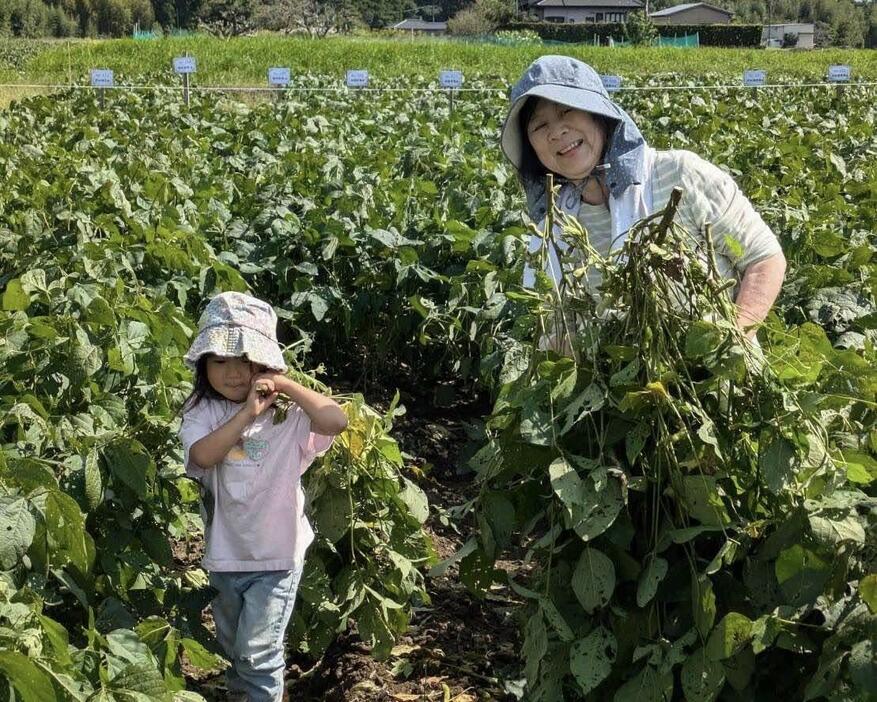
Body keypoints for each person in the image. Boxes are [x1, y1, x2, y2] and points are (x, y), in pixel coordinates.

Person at [500, 55, 786, 337]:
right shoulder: (556, 225)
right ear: (531, 147)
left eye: (567, 111)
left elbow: (763, 259)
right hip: (623, 380)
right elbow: (558, 325)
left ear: (599, 114)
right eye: (539, 126)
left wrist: (733, 343)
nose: (557, 131)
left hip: (720, 375)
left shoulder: (679, 174)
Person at [179, 291, 348, 702]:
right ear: (204, 366)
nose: (234, 373)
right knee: (235, 649)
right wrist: (247, 414)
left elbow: (336, 420)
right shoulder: (203, 411)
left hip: (276, 558)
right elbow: (202, 455)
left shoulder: (289, 418)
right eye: (220, 361)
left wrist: (287, 385)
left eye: (246, 361)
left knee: (258, 654)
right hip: (225, 555)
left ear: (265, 363)